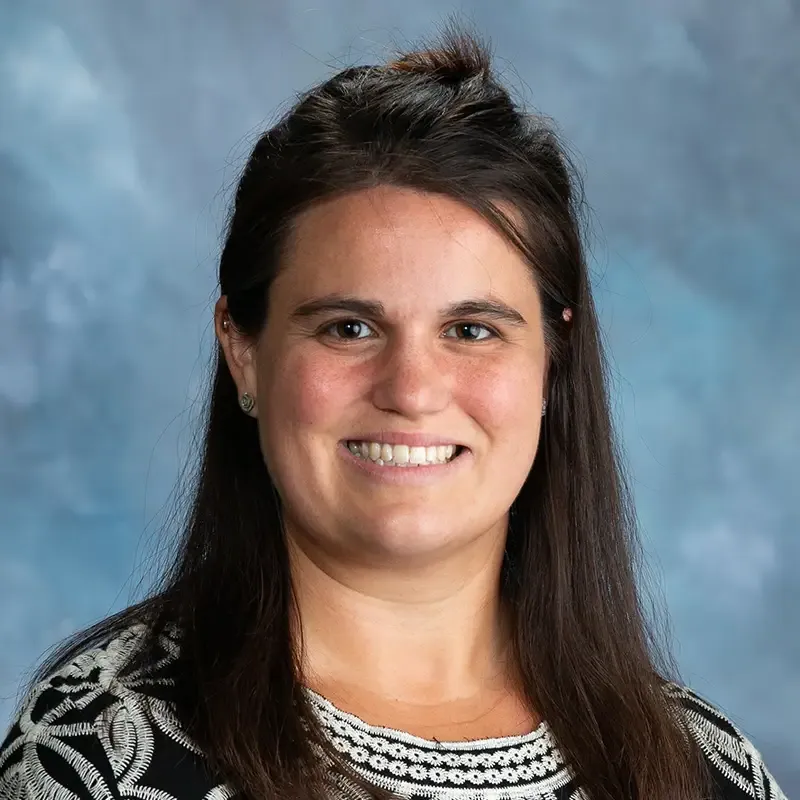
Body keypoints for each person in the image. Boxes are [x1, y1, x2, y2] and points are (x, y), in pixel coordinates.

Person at [0, 27, 787, 800]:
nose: (411, 390)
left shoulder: (699, 769)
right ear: (243, 349)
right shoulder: (98, 759)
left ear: (553, 360)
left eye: (471, 330)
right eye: (350, 328)